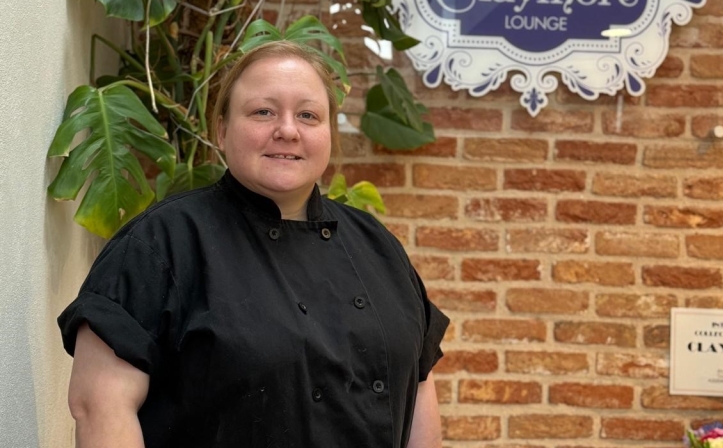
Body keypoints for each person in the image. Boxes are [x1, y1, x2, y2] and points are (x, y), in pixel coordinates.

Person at [58, 40, 450, 448]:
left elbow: (420, 387)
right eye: (263, 111)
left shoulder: (377, 244)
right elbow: (100, 405)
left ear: (328, 133)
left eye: (308, 115)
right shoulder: (161, 243)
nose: (287, 130)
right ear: (222, 129)